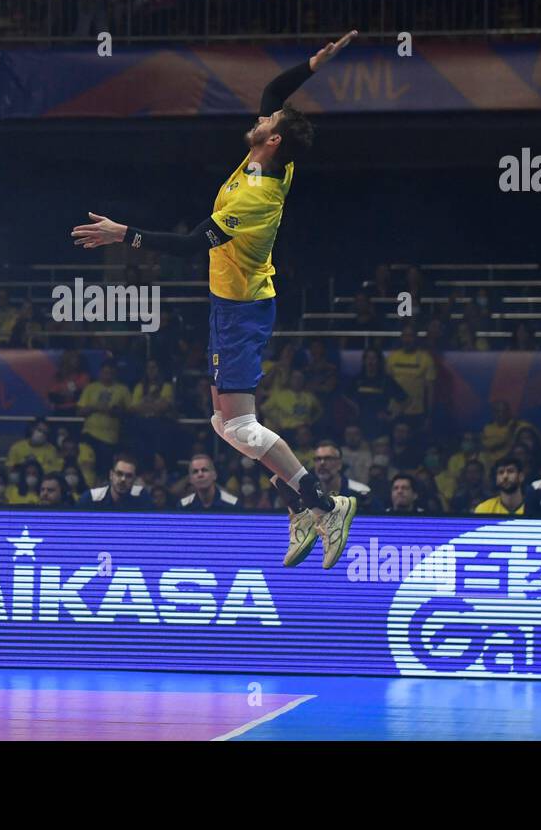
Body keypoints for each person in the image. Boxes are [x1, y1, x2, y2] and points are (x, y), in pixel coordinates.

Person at [72, 31, 362, 568]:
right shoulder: (270, 159)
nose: (260, 118)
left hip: (242, 310)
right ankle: (299, 506)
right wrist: (315, 64)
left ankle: (325, 503)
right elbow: (276, 88)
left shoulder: (256, 197)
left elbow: (189, 244)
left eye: (268, 122)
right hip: (231, 303)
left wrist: (124, 234)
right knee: (223, 425)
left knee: (238, 427)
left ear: (272, 141)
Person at [77, 453, 154, 509]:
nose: (123, 479)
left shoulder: (142, 497)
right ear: (111, 475)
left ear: (134, 479)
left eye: (129, 476)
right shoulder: (91, 498)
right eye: (119, 474)